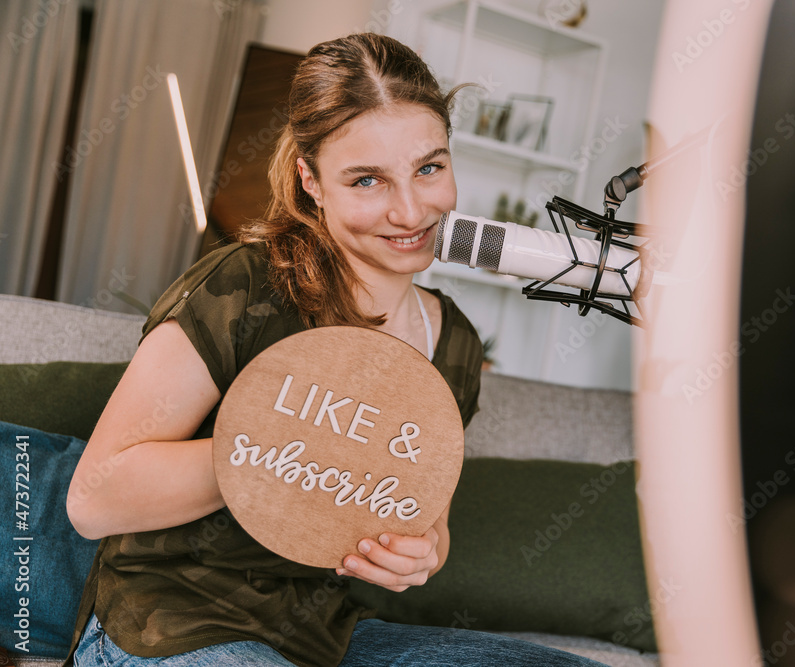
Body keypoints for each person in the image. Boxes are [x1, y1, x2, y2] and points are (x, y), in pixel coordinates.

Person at [64, 33, 608, 667]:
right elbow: (94, 500)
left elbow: (426, 513)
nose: (411, 211)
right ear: (311, 180)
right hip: (173, 620)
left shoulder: (453, 342)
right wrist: (288, 446)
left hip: (325, 639)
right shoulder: (246, 285)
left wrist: (422, 552)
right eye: (367, 180)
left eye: (429, 167)